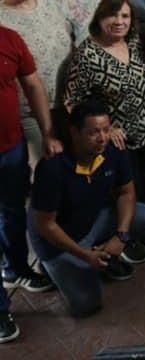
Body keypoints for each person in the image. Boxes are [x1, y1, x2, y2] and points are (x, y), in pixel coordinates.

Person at [28, 99, 145, 316]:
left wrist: (121, 237)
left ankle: (102, 254)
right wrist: (84, 255)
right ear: (74, 132)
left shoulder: (113, 152)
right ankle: (53, 267)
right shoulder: (52, 167)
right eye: (93, 132)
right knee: (88, 304)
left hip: (92, 219)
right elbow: (45, 226)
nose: (102, 138)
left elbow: (126, 193)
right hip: (57, 241)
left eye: (106, 130)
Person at [64, 0, 145, 205]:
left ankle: (139, 223)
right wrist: (107, 129)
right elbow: (73, 102)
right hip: (116, 138)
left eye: (125, 16)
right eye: (112, 16)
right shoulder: (87, 55)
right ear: (99, 18)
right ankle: (126, 232)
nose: (119, 22)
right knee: (124, 190)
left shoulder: (134, 42)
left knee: (141, 184)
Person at [0, 23, 61, 343]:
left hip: (10, 147)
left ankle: (16, 269)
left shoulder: (9, 38)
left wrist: (48, 131)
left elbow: (33, 85)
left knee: (12, 212)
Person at [0, 0, 73, 169]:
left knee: (73, 166)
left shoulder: (49, 1)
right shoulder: (2, 18)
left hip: (67, 100)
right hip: (30, 110)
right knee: (45, 169)